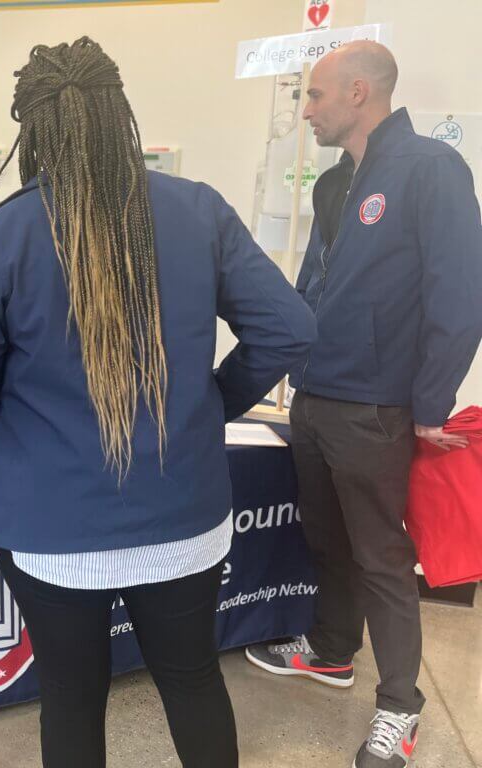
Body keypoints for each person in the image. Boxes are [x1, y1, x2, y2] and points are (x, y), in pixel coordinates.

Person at [0, 37, 317, 768]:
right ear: (122, 115)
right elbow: (290, 329)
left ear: (35, 130)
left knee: (72, 699)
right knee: (193, 679)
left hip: (53, 531)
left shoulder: (3, 236)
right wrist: (211, 401)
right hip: (182, 515)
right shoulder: (197, 210)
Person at [245, 41, 482, 768]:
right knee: (328, 538)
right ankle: (332, 650)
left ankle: (400, 707)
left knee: (382, 556)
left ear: (357, 92)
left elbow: (460, 294)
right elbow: (316, 288)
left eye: (314, 97)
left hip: (377, 405)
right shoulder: (332, 183)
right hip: (315, 398)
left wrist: (431, 401)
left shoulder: (431, 170)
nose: (306, 110)